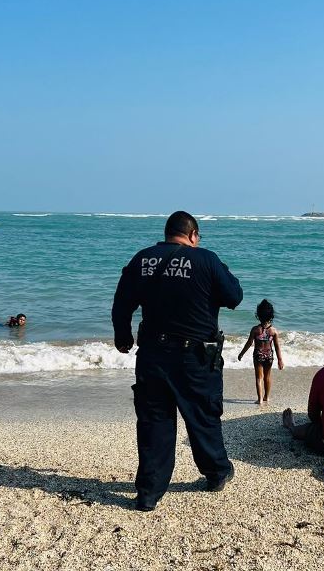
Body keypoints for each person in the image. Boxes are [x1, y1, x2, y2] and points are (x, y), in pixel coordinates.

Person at [111, 210, 243, 512]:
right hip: (195, 357)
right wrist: (219, 267)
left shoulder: (142, 259)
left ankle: (149, 493)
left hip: (152, 355)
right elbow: (235, 296)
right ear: (193, 235)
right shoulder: (207, 260)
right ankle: (217, 473)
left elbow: (121, 303)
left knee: (154, 422)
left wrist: (123, 337)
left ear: (167, 233)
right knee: (203, 416)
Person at [237, 299, 284, 405]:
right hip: (269, 356)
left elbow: (249, 343)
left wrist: (241, 353)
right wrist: (280, 360)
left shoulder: (255, 330)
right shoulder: (274, 331)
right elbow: (277, 346)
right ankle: (267, 397)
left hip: (258, 356)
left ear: (258, 315)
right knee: (267, 377)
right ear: (271, 315)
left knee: (259, 377)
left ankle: (260, 399)